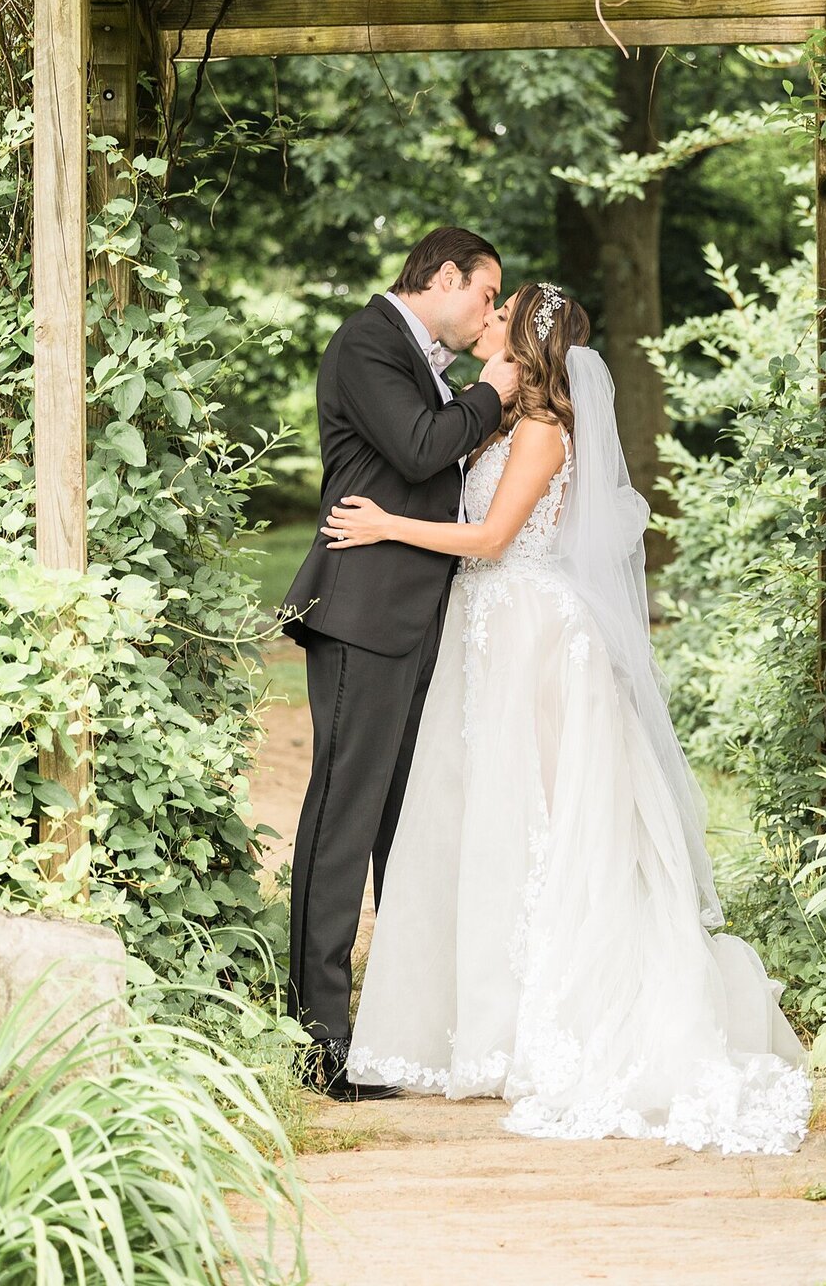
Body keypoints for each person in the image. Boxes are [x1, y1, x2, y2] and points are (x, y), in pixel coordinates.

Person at [320, 281, 811, 1153]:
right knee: (499, 819)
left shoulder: (546, 432)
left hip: (537, 635)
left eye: (501, 311)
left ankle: (560, 1016)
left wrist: (387, 524)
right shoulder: (506, 421)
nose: (488, 315)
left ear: (526, 338)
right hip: (491, 632)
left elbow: (492, 540)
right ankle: (494, 1021)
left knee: (549, 819)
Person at [279, 226, 519, 1101]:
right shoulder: (366, 342)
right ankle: (318, 1042)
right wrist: (494, 391)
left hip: (421, 620)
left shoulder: (421, 358)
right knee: (344, 820)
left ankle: (392, 1030)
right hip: (363, 615)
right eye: (487, 295)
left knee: (402, 829)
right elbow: (422, 448)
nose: (490, 311)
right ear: (445, 276)